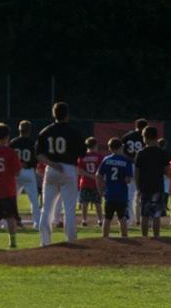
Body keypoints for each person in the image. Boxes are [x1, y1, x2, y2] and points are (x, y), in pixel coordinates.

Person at [36, 102, 82, 245]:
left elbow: (39, 155)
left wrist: (52, 164)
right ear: (67, 115)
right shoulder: (73, 131)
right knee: (69, 209)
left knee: (46, 209)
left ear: (53, 114)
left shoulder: (45, 131)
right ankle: (71, 239)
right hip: (68, 168)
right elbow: (82, 153)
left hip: (51, 169)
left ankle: (45, 242)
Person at [136, 126, 171, 239]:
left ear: (145, 138)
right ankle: (157, 237)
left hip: (144, 187)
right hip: (158, 186)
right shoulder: (162, 153)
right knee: (156, 215)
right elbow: (167, 171)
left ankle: (145, 238)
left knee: (145, 215)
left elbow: (136, 173)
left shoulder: (141, 153)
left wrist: (138, 187)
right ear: (156, 137)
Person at [97, 138, 134, 238]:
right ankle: (124, 237)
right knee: (122, 218)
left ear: (110, 148)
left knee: (107, 218)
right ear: (121, 147)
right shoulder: (126, 161)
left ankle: (105, 238)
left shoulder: (106, 159)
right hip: (121, 194)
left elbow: (98, 175)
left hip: (109, 193)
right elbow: (128, 180)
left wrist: (100, 189)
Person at [11, 119, 41, 233]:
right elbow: (37, 159)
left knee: (11, 198)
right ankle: (37, 223)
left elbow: (9, 158)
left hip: (15, 172)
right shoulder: (33, 143)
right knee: (34, 200)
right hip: (28, 171)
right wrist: (28, 164)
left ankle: (5, 222)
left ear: (19, 130)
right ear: (29, 130)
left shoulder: (13, 142)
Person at [77, 137, 102, 227]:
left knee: (84, 202)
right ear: (95, 145)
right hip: (96, 183)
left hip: (85, 182)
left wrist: (89, 175)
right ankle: (100, 220)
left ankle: (84, 220)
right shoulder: (99, 156)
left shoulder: (82, 156)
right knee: (97, 203)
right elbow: (102, 170)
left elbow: (79, 170)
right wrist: (95, 177)